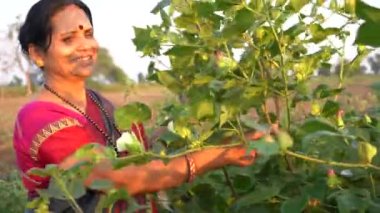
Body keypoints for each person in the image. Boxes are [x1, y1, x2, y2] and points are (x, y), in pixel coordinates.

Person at [13, 0, 259, 212]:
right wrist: (219, 155)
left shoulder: (98, 102)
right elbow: (121, 178)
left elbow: (140, 156)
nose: (85, 45)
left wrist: (194, 111)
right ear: (37, 54)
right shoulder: (38, 117)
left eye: (88, 34)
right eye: (68, 39)